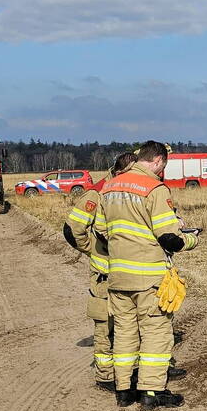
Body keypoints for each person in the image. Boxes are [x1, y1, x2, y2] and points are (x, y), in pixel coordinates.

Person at [99, 141, 199, 410]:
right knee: (156, 333)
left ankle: (123, 390)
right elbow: (169, 237)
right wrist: (191, 241)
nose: (162, 171)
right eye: (163, 165)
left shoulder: (109, 187)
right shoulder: (154, 189)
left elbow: (100, 231)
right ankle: (152, 392)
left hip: (118, 276)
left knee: (123, 334)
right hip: (148, 278)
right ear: (157, 160)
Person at [63, 152, 136, 391]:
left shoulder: (127, 191)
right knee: (105, 328)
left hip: (131, 273)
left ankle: (133, 371)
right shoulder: (98, 193)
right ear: (119, 172)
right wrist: (92, 251)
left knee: (134, 326)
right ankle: (105, 376)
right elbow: (73, 227)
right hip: (106, 277)